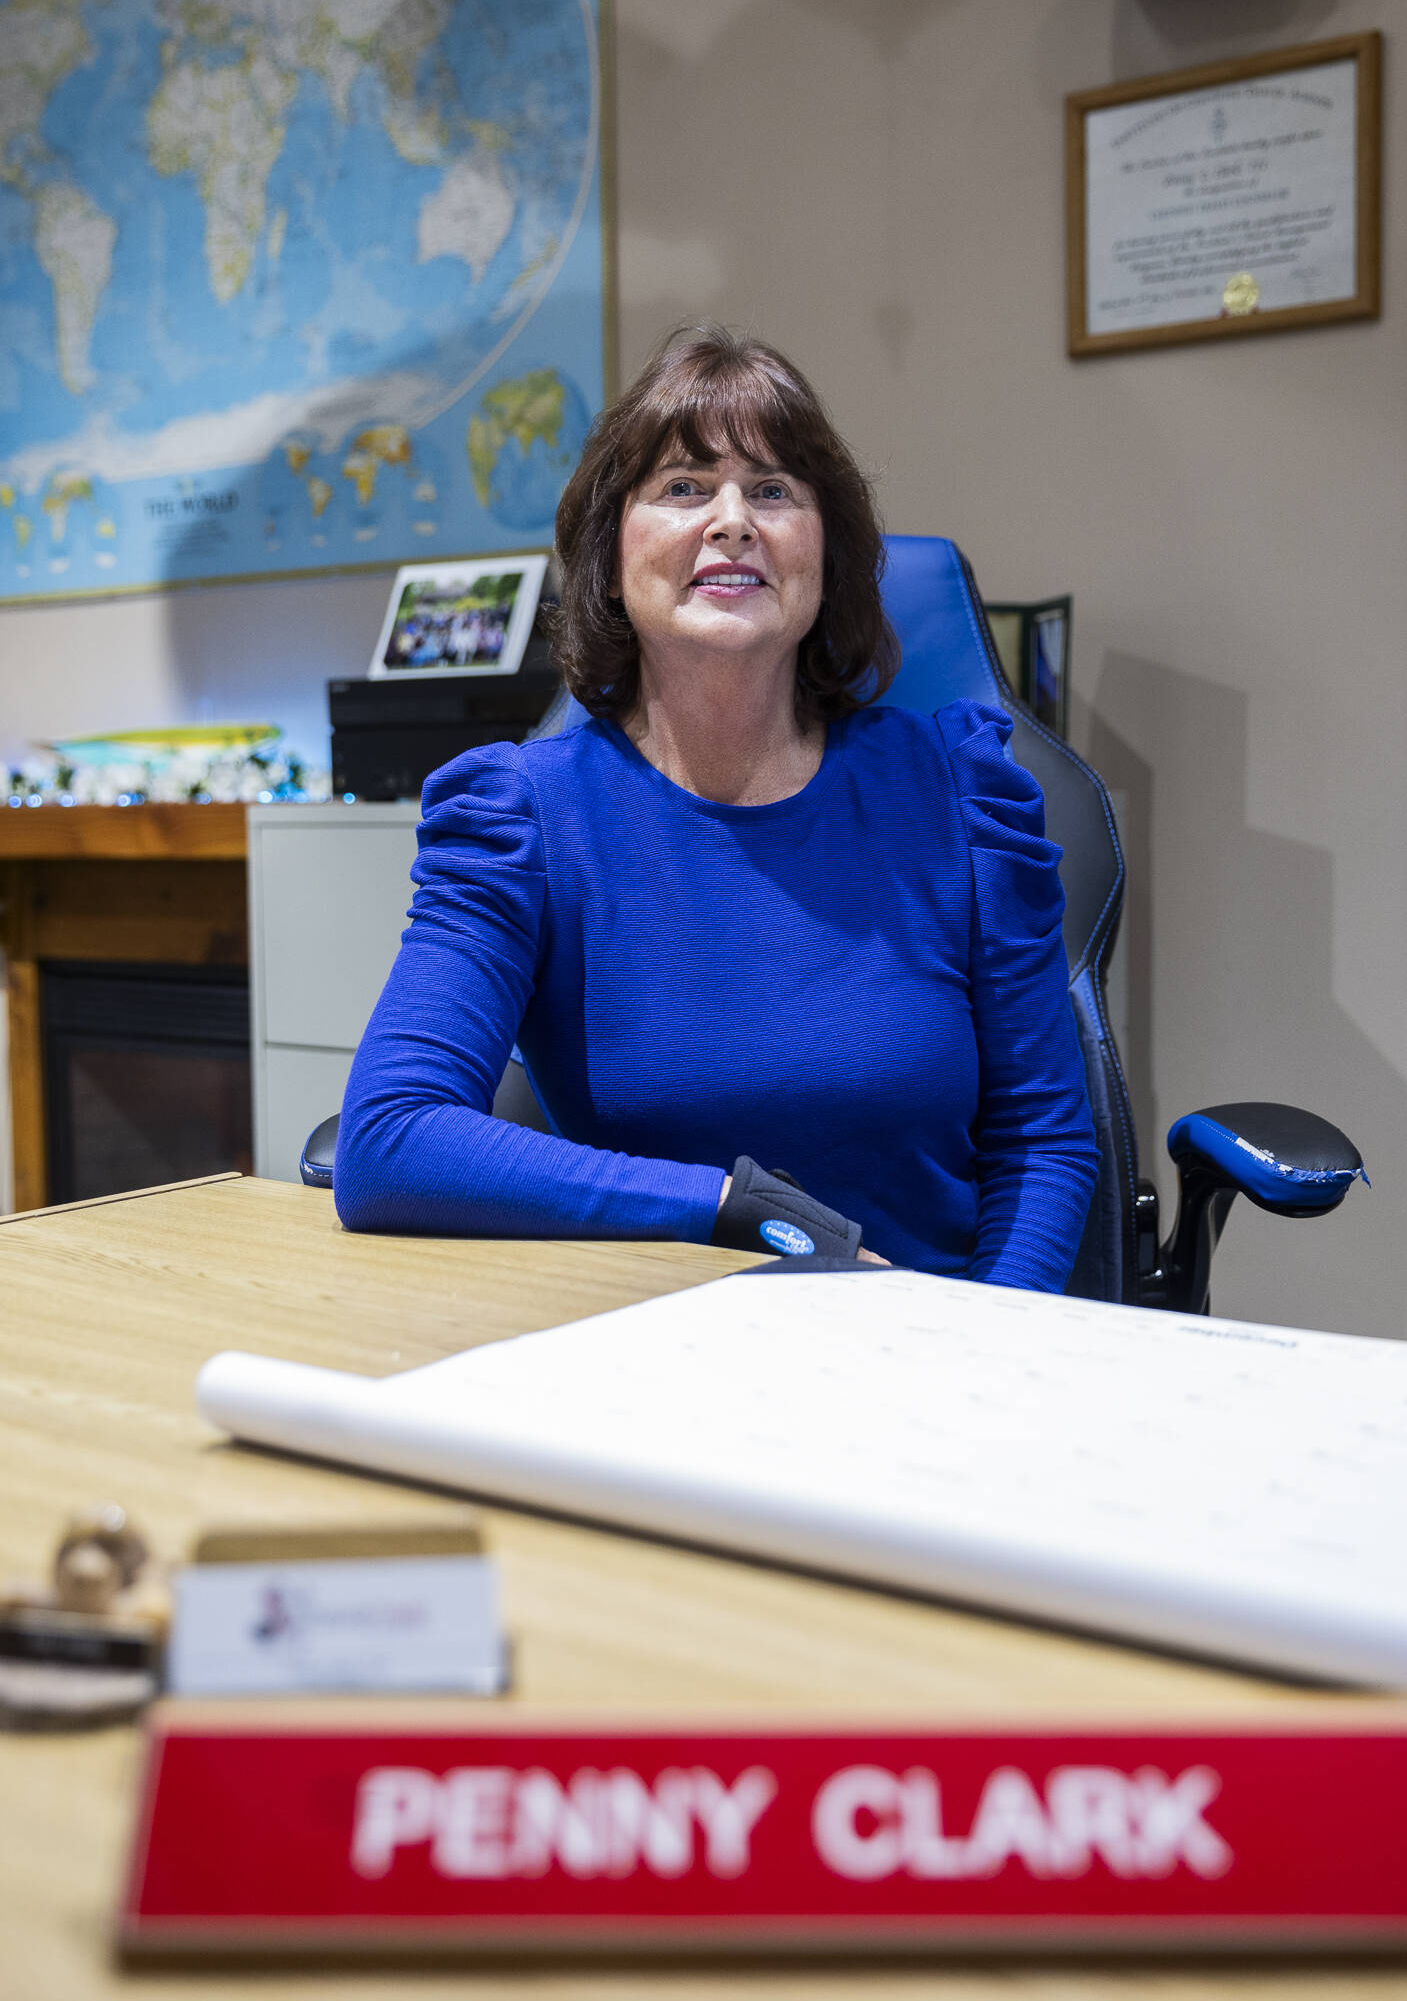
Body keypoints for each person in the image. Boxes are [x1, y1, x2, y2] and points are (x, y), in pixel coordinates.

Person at [335, 325, 1098, 1289]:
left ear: (828, 555)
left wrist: (987, 1357)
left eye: (774, 490)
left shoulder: (959, 792)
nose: (733, 520)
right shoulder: (520, 818)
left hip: (938, 1352)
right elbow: (388, 1142)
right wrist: (736, 1211)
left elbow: (1046, 1141)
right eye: (684, 488)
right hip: (655, 1360)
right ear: (613, 552)